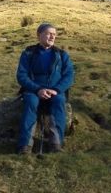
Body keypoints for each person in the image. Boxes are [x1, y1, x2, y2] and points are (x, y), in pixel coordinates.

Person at [16, 23, 75, 154]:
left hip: (55, 91)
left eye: (54, 34)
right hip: (33, 91)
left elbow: (69, 75)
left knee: (59, 101)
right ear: (39, 35)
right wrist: (38, 89)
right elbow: (21, 75)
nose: (52, 36)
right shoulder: (28, 53)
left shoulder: (62, 54)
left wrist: (57, 90)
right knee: (31, 102)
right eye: (49, 33)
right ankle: (25, 145)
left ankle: (56, 144)